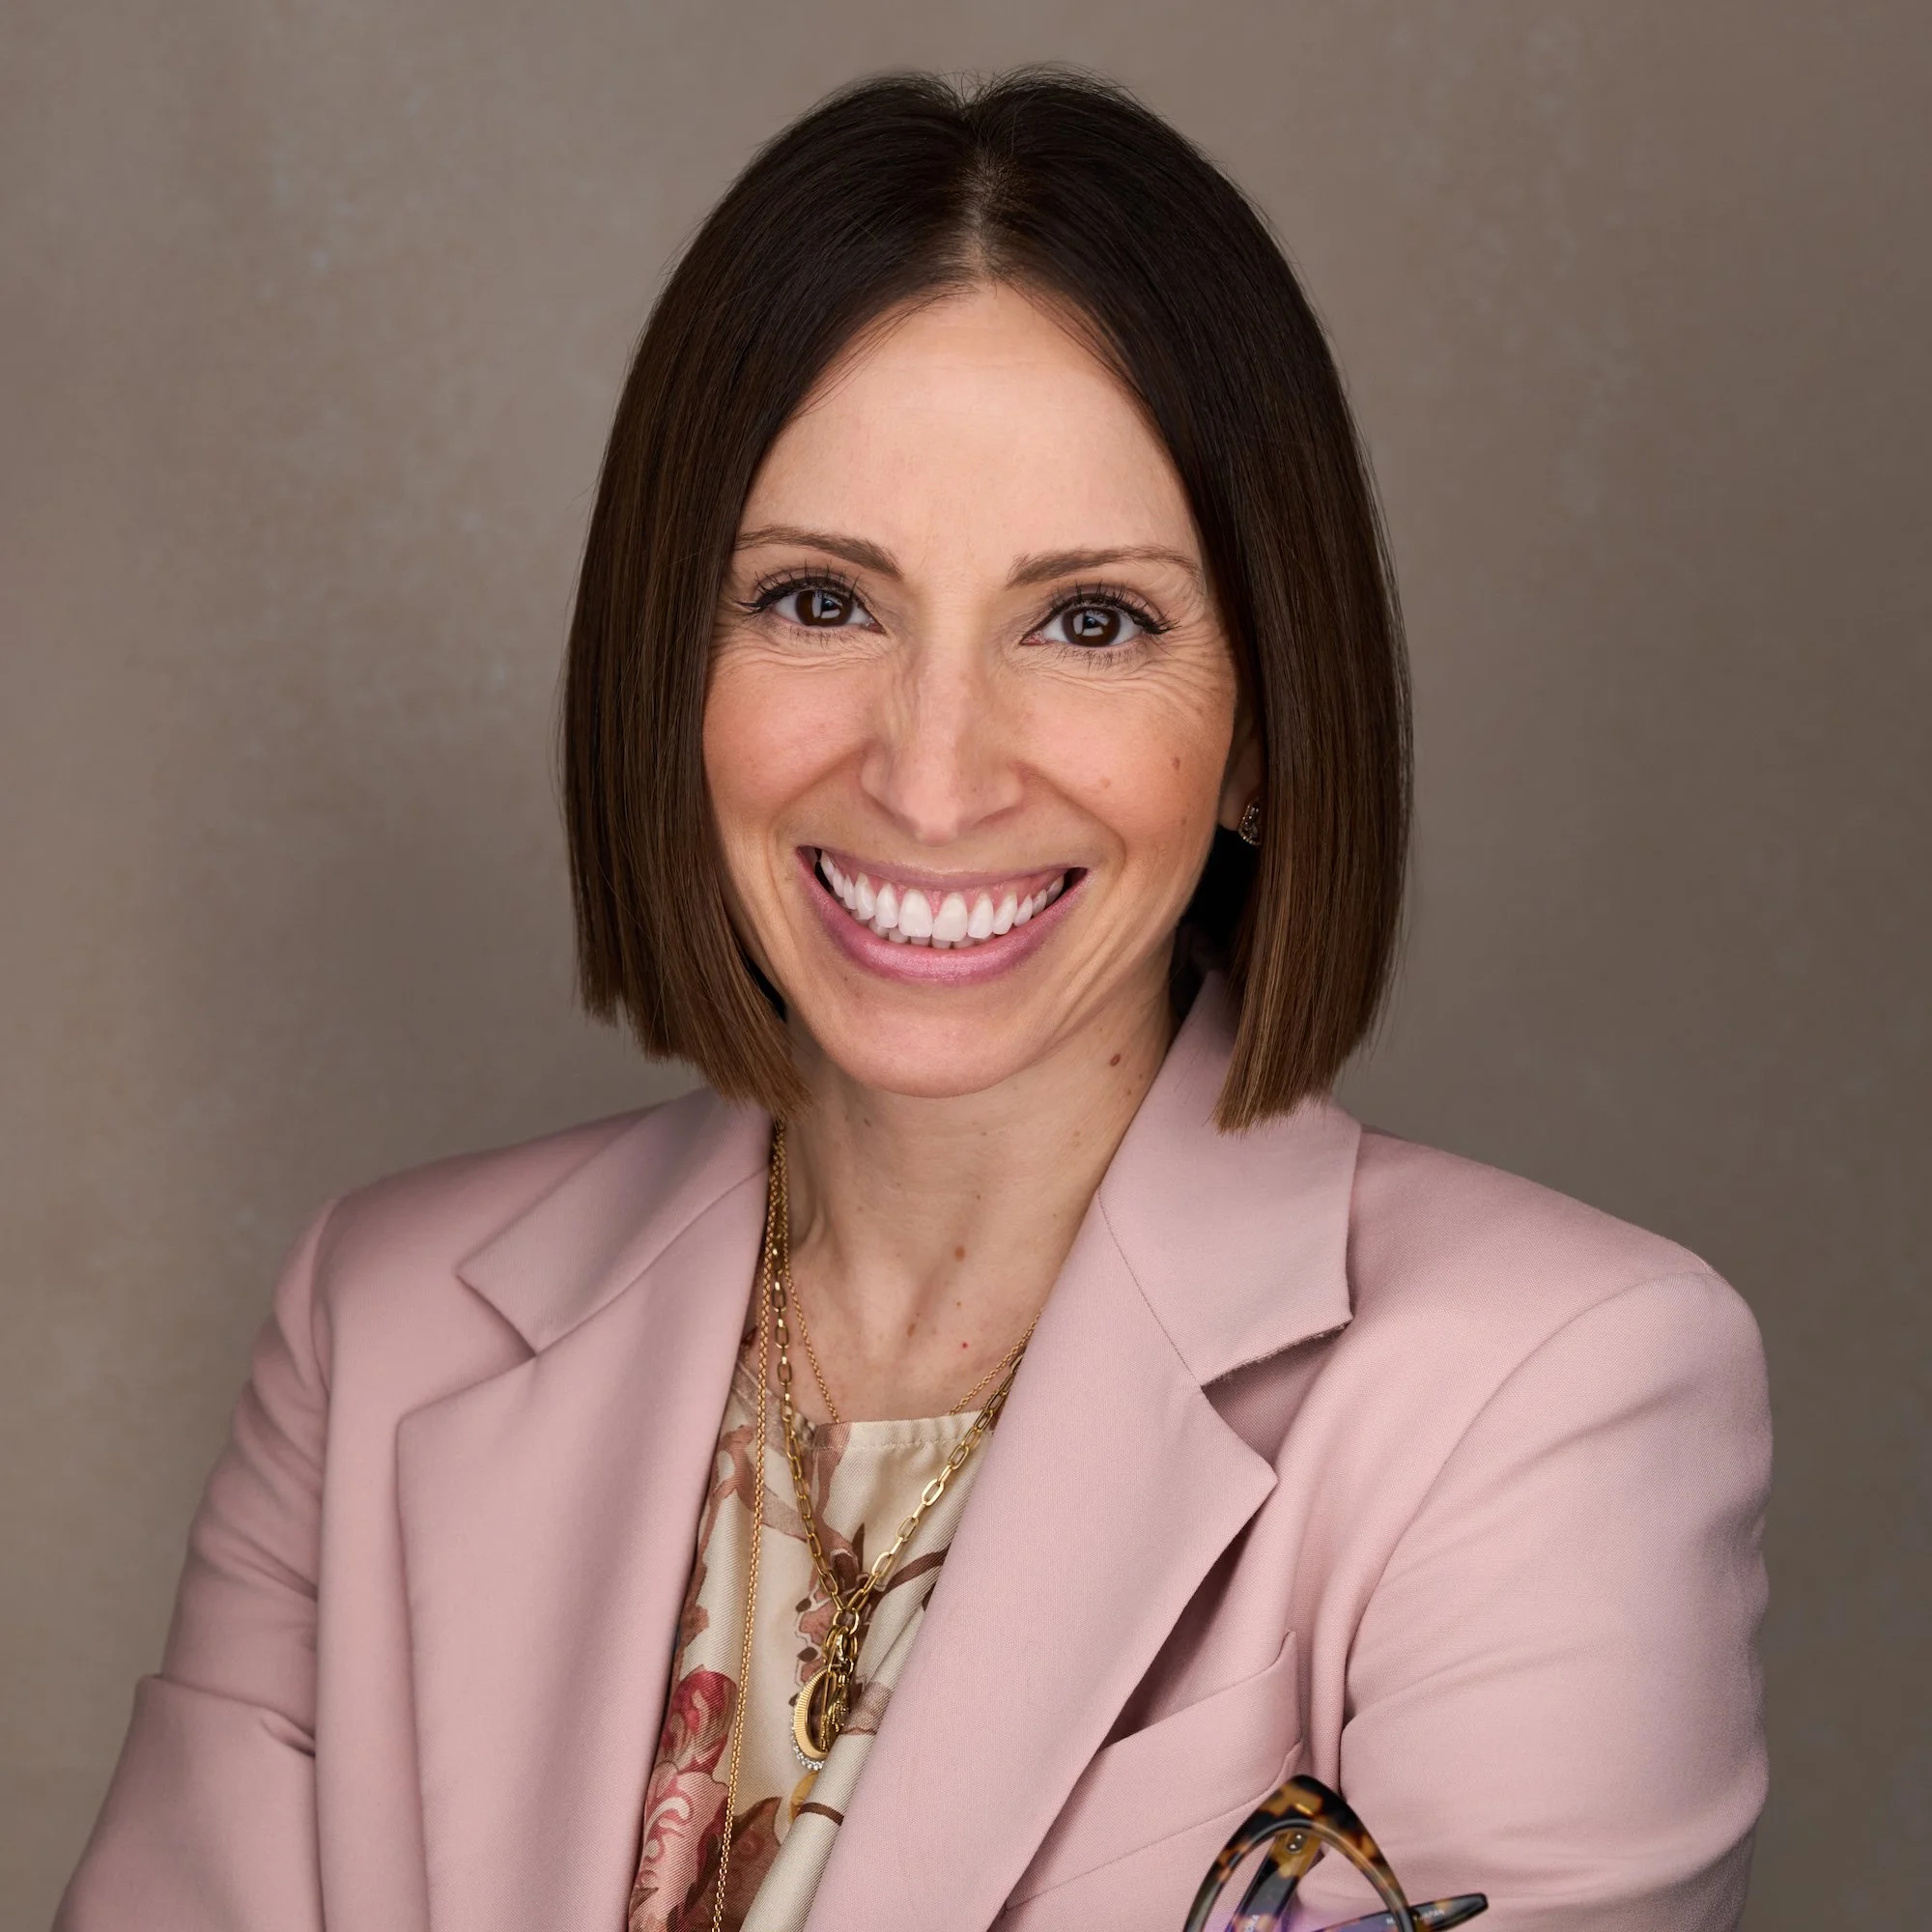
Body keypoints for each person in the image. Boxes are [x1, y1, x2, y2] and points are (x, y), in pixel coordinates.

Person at [56, 68, 1770, 1932]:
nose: (934, 776)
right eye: (817, 601)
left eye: (1090, 620)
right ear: (667, 663)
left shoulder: (1548, 1400)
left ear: (1265, 731)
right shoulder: (376, 1332)